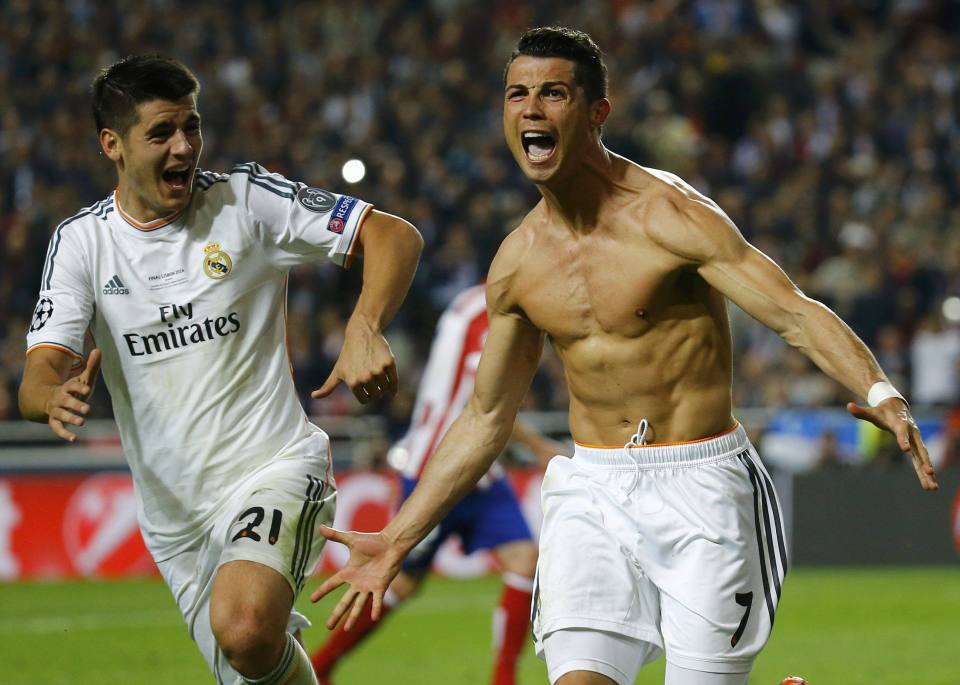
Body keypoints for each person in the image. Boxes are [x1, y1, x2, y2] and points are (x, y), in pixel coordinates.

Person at [311, 27, 938, 685]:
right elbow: (486, 415)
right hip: (594, 490)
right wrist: (398, 536)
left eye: (553, 93)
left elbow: (794, 312)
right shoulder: (518, 263)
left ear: (596, 113)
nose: (530, 109)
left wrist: (882, 394)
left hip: (705, 488)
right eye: (517, 94)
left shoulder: (671, 216)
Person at [17, 55, 422, 685]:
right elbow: (38, 373)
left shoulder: (245, 200)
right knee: (254, 663)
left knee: (245, 626)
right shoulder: (82, 244)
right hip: (177, 524)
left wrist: (365, 325)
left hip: (274, 469)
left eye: (191, 127)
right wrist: (51, 395)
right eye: (161, 134)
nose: (184, 147)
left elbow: (392, 235)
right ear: (112, 145)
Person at [310, 283, 566, 685]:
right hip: (440, 465)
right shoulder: (491, 315)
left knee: (523, 559)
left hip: (480, 468)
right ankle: (319, 667)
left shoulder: (470, 303)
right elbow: (485, 402)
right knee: (399, 581)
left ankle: (503, 678)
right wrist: (538, 446)